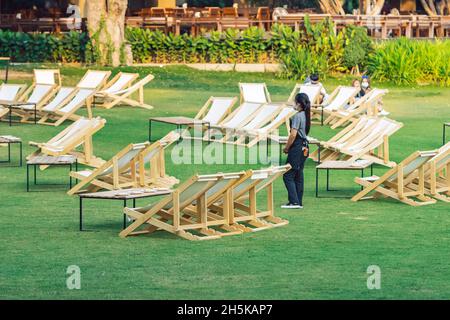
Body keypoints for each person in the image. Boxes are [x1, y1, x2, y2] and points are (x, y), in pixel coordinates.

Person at [281, 93, 311, 209]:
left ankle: (294, 202)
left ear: (298, 104)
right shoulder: (306, 115)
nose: (293, 103)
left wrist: (287, 148)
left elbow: (293, 135)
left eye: (294, 102)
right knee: (298, 174)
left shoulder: (298, 116)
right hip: (305, 146)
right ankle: (298, 201)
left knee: (288, 174)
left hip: (297, 146)